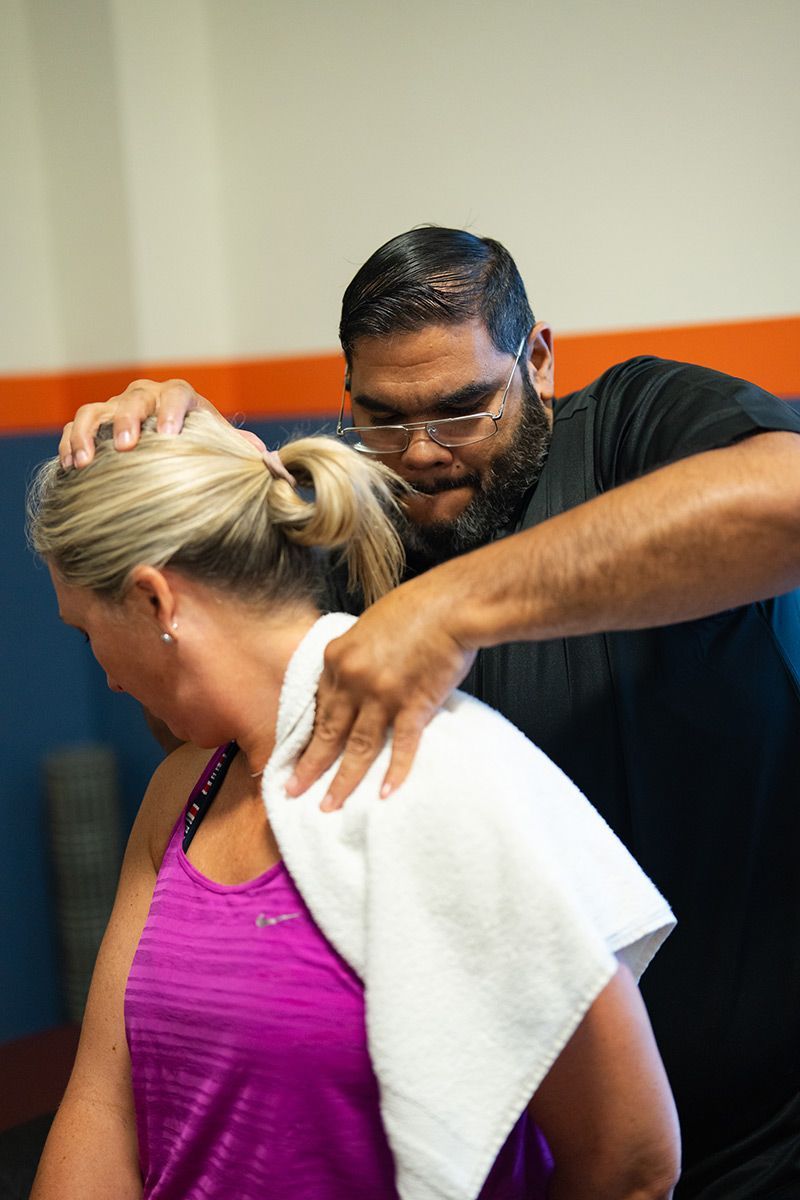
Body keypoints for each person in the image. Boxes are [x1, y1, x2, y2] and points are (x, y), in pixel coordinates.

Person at [59, 226, 800, 1198]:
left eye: (461, 413)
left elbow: (782, 501)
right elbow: (216, 736)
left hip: (747, 1136)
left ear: (534, 358)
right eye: (381, 417)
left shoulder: (633, 424)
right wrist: (179, 462)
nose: (420, 455)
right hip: (481, 1150)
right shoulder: (348, 511)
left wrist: (444, 607)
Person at [28, 413, 680, 1200]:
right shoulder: (182, 795)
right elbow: (104, 1108)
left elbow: (632, 1161)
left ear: (155, 600)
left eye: (85, 631)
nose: (103, 676)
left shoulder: (448, 777)